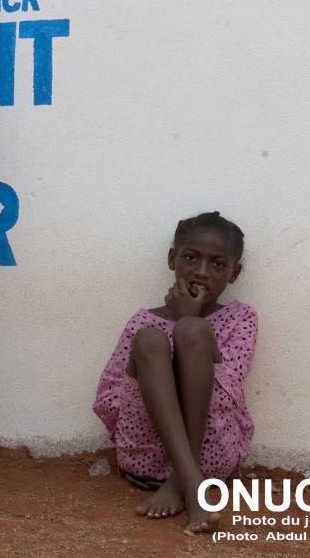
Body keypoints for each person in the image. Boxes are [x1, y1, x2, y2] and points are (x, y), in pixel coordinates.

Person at [93, 212, 258, 535]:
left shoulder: (241, 318)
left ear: (234, 273)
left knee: (193, 331)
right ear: (173, 259)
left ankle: (185, 480)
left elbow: (230, 392)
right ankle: (191, 482)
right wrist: (154, 383)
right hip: (146, 453)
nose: (201, 271)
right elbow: (109, 397)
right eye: (191, 258)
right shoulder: (143, 321)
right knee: (149, 340)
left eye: (218, 264)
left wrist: (189, 321)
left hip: (210, 453)